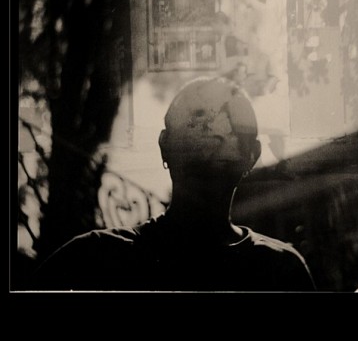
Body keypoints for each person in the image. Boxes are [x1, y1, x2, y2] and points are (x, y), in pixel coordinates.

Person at [33, 77, 315, 291]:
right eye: (196, 126)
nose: (209, 146)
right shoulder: (279, 269)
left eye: (223, 131)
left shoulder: (95, 257)